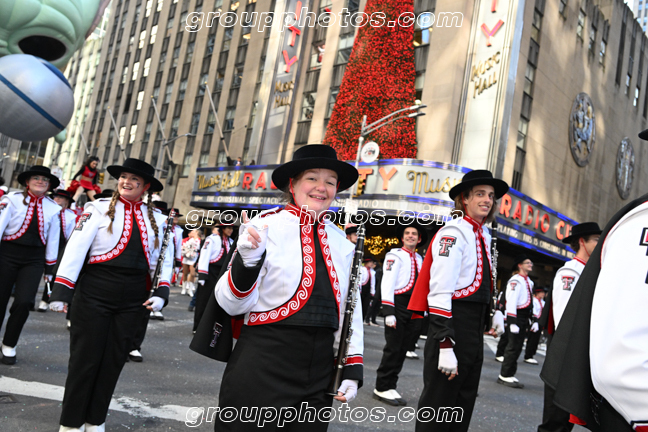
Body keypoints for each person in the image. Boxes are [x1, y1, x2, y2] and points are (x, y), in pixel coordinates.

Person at [213, 144, 363, 431]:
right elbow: (231, 304)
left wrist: (351, 367)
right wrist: (247, 262)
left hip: (319, 372)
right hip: (263, 363)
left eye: (330, 182)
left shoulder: (342, 242)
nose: (322, 188)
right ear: (292, 185)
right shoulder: (264, 227)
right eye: (312, 178)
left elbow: (350, 309)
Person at [49, 158, 173, 432]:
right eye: (124, 177)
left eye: (134, 179)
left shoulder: (161, 220)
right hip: (95, 291)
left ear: (146, 186)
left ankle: (95, 420)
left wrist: (162, 292)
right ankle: (70, 424)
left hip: (133, 299)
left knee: (113, 362)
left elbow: (163, 260)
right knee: (84, 360)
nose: (126, 182)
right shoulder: (96, 209)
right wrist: (62, 290)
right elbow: (76, 248)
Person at [408, 169, 508, 432]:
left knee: (461, 408)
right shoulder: (453, 233)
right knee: (438, 409)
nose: (487, 200)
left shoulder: (484, 235)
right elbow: (440, 291)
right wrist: (444, 344)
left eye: (491, 196)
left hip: (474, 332)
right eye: (480, 194)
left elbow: (485, 282)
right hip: (452, 328)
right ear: (464, 198)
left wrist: (495, 311)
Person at [537, 222, 600, 432]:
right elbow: (565, 317)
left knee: (566, 419)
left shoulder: (589, 271)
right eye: (596, 240)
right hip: (566, 351)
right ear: (582, 241)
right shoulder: (570, 272)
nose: (600, 244)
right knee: (556, 419)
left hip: (577, 350)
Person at [0, 165, 61, 365]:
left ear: (49, 185)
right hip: (6, 254)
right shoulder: (11, 200)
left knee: (25, 302)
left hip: (33, 260)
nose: (40, 182)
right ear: (27, 182)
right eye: (36, 178)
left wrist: (49, 269)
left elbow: (53, 240)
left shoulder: (54, 208)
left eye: (45, 180)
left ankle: (9, 344)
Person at [373, 221, 426, 406]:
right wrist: (389, 312)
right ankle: (381, 386)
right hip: (398, 305)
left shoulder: (420, 259)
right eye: (407, 233)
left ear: (419, 239)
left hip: (413, 308)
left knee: (404, 348)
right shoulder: (394, 255)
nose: (411, 236)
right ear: (402, 238)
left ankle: (390, 384)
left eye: (414, 234)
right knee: (393, 348)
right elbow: (387, 282)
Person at [498, 254, 534, 388]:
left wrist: (531, 319)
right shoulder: (515, 280)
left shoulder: (529, 281)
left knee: (518, 347)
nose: (530, 265)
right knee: (512, 347)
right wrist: (512, 322)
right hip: (517, 316)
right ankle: (505, 374)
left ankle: (510, 373)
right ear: (520, 265)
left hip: (524, 316)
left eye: (531, 263)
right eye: (527, 263)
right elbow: (511, 300)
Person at [38, 189, 77, 312]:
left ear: (67, 201)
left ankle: (45, 300)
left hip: (60, 247)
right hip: (43, 244)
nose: (57, 199)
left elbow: (70, 235)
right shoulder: (48, 210)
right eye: (56, 196)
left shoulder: (71, 216)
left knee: (52, 274)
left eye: (61, 197)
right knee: (36, 272)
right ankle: (28, 298)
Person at [195, 221, 234, 332]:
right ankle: (198, 327)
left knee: (218, 302)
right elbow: (204, 256)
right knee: (203, 301)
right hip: (210, 274)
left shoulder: (231, 242)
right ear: (222, 229)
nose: (230, 230)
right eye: (228, 228)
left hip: (222, 276)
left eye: (231, 228)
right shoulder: (211, 239)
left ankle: (211, 327)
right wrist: (202, 276)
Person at [523, 286, 546, 365]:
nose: (543, 294)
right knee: (532, 338)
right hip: (534, 321)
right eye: (541, 292)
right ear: (537, 293)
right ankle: (528, 355)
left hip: (540, 321)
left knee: (536, 339)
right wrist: (535, 321)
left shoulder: (543, 302)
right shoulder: (533, 301)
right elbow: (533, 311)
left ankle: (532, 354)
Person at [181, 229, 201, 297]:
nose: (191, 232)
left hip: (194, 258)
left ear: (196, 233)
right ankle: (184, 288)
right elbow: (184, 246)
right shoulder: (189, 239)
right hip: (186, 257)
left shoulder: (199, 240)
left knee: (193, 274)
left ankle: (190, 289)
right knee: (185, 273)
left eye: (193, 231)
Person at [359, 257, 376, 324]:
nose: (371, 264)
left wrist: (372, 292)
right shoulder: (362, 269)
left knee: (365, 307)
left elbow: (373, 283)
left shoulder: (372, 272)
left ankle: (362, 321)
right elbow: (360, 280)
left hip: (368, 291)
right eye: (370, 262)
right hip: (362, 289)